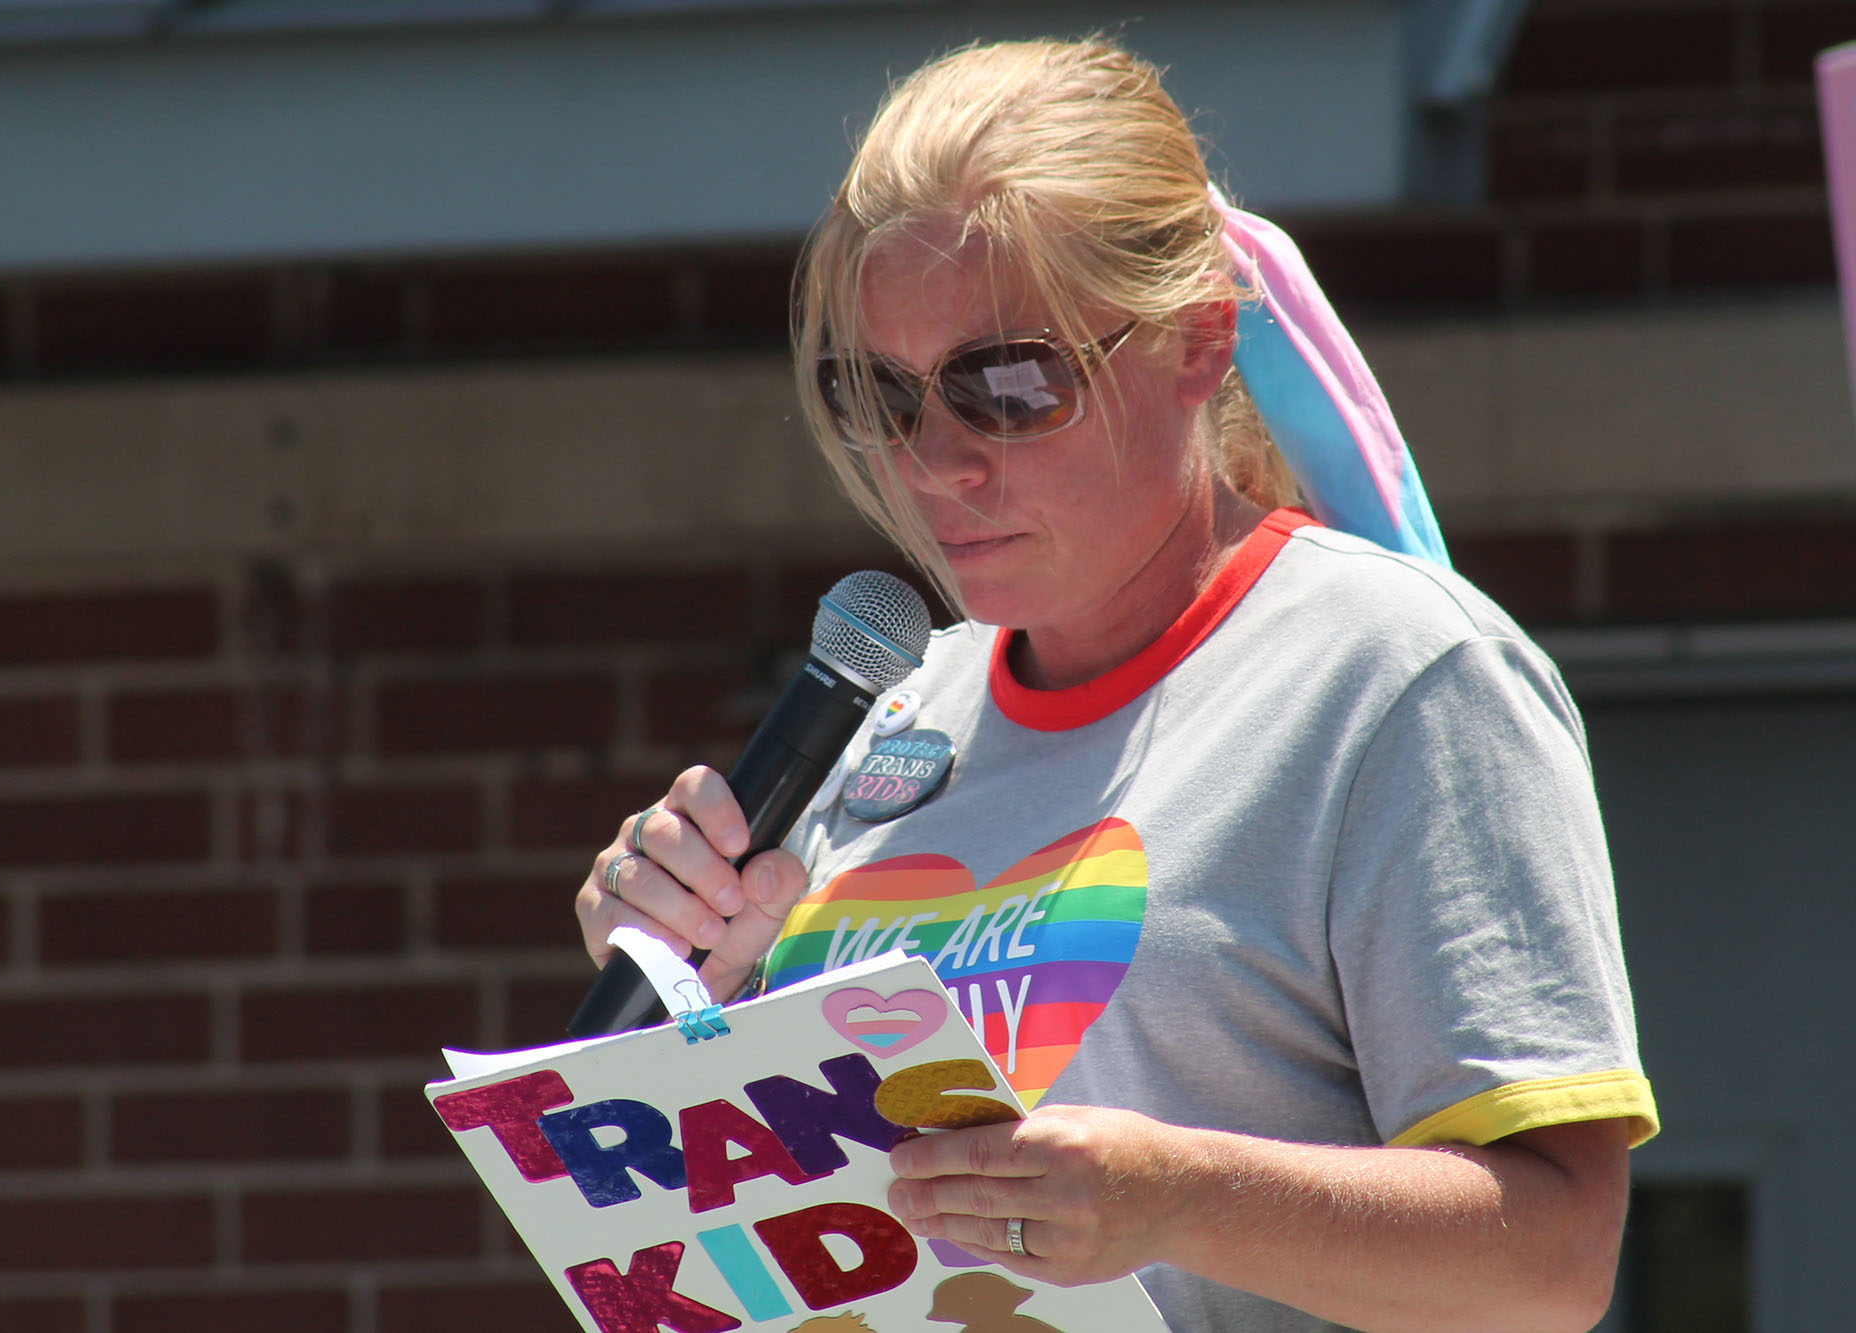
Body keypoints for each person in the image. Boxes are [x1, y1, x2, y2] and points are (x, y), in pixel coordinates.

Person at [576, 36, 1656, 1332]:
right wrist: (698, 985)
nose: (937, 462)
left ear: (1198, 343)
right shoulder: (898, 715)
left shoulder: (1400, 678)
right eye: (883, 392)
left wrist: (1176, 1196)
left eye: (1008, 384)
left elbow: (1556, 1258)